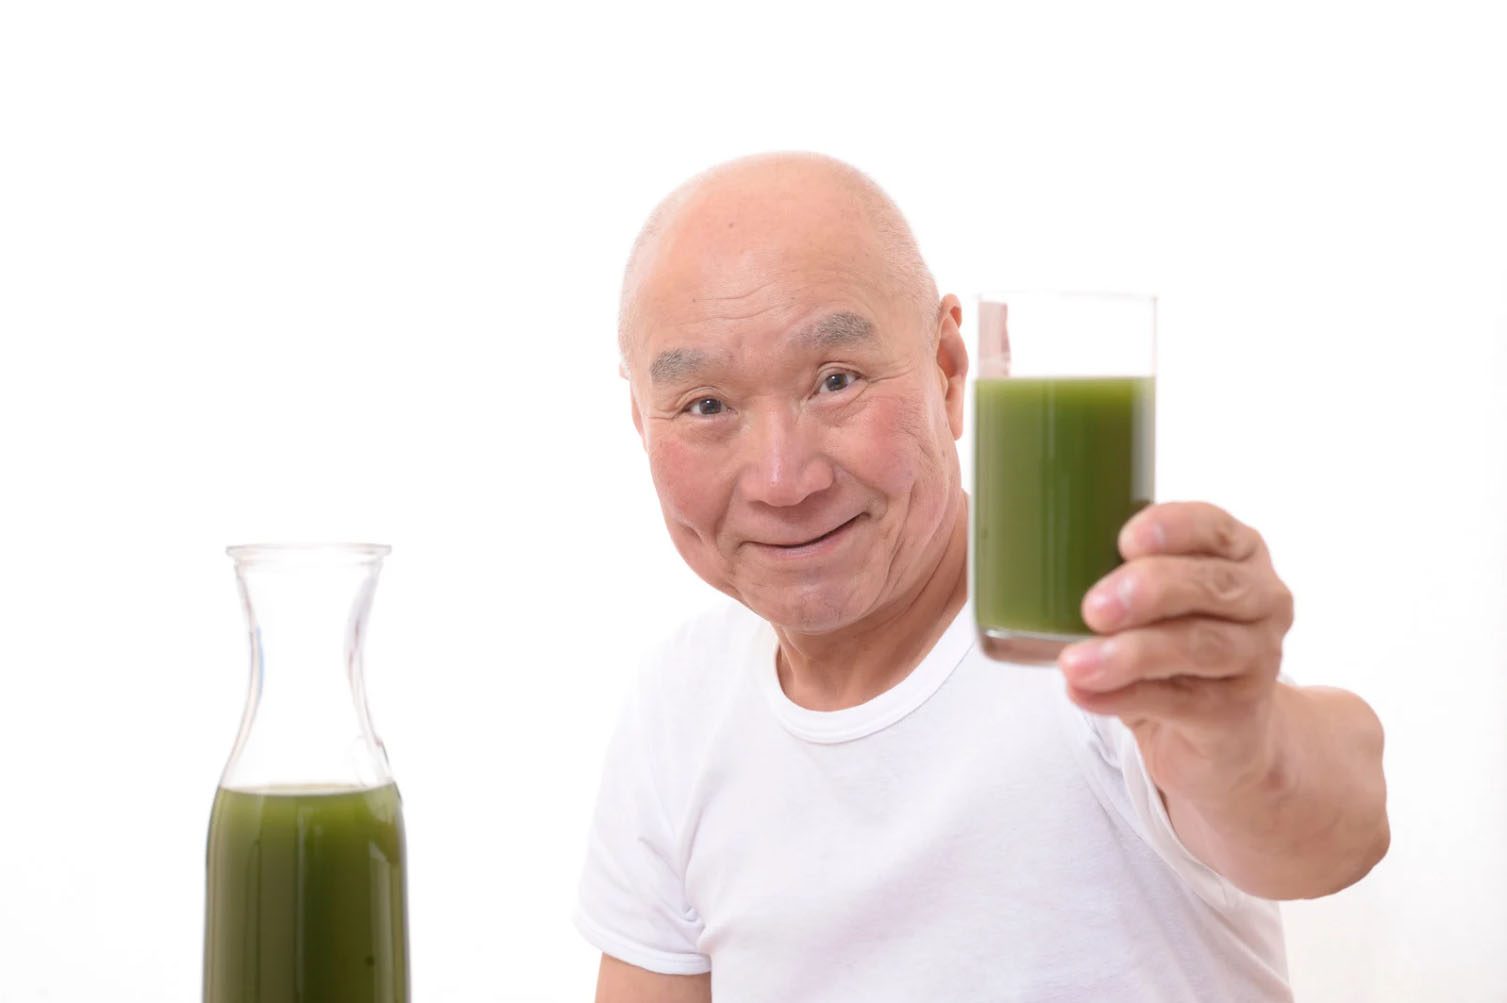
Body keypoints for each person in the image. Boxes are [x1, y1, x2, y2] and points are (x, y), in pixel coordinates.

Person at [574, 152, 1389, 1002]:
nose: (784, 480)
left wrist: (1243, 737)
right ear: (641, 419)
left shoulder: (1086, 628)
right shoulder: (680, 698)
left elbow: (1333, 825)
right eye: (706, 405)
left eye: (836, 380)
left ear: (950, 368)